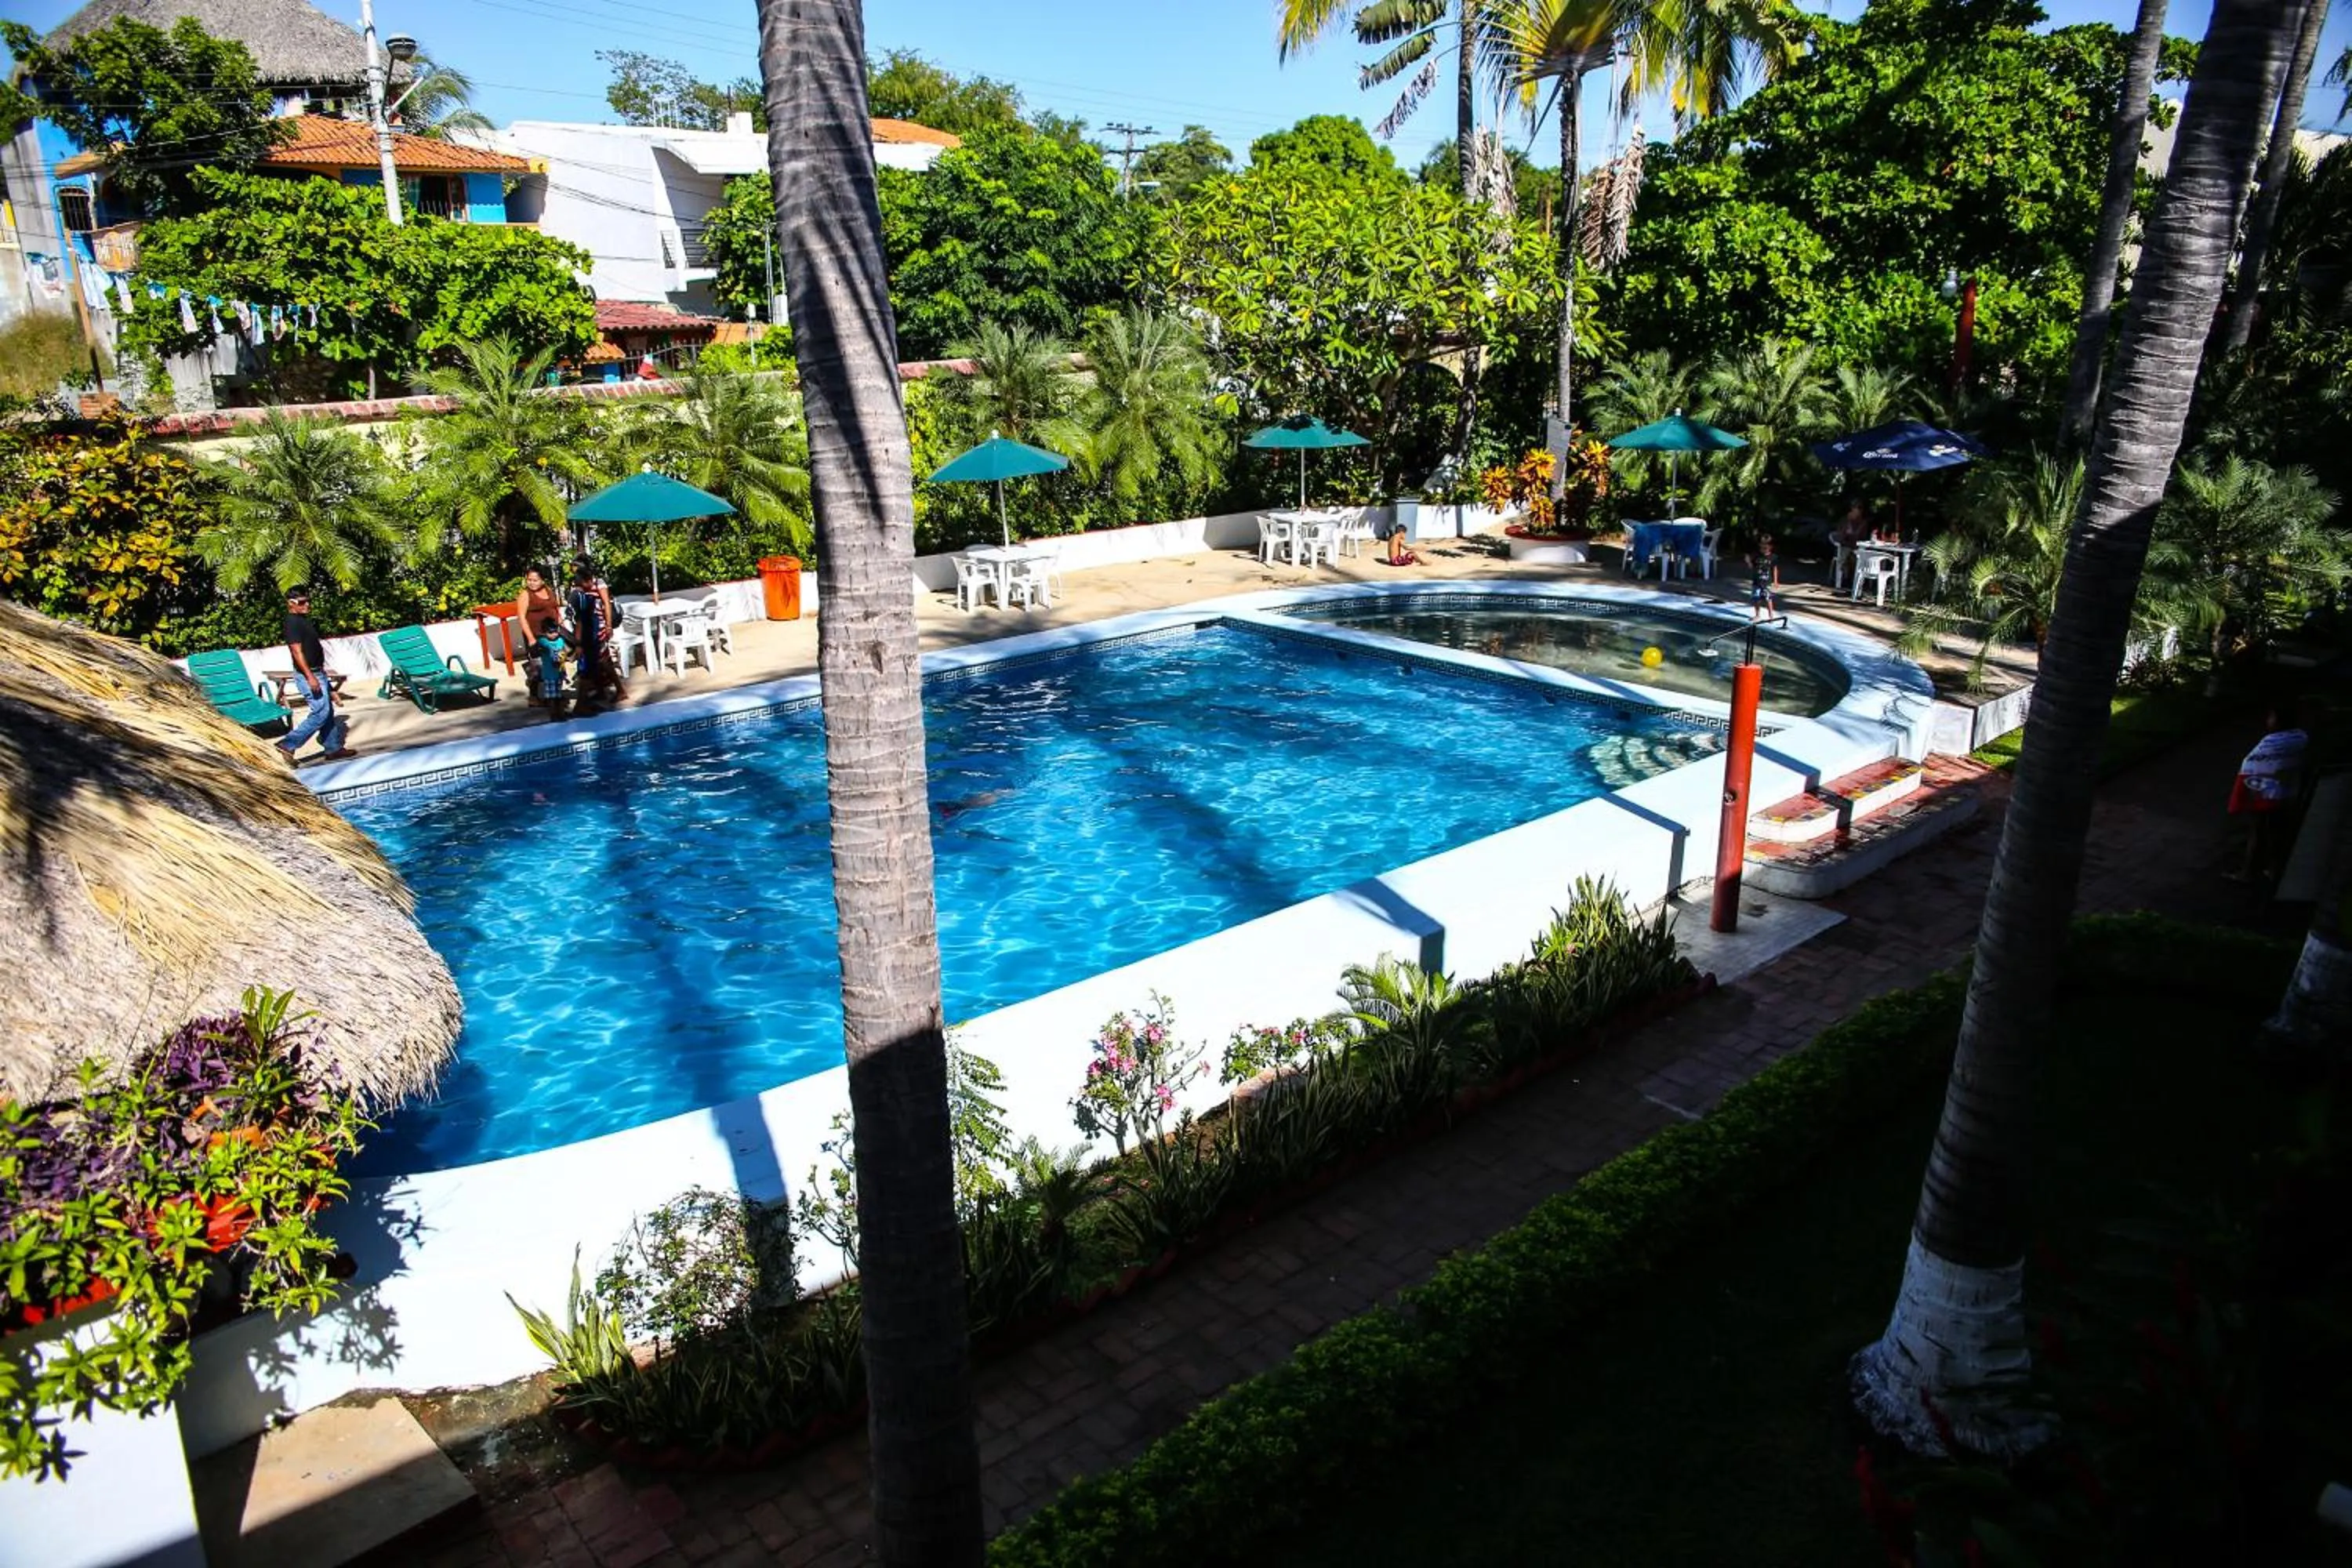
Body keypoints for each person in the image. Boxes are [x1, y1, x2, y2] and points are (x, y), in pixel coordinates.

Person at [2228, 701, 2314, 880]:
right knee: (2278, 833)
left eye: (2271, 717)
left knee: (2258, 831)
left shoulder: (2272, 743)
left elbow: (2253, 767)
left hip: (2263, 793)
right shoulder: (2300, 739)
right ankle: (2274, 870)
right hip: (2287, 794)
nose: (2269, 720)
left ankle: (2249, 872)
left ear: (2279, 721)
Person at [277, 587, 354, 764]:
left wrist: (328, 684)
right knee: (320, 712)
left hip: (318, 672)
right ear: (291, 604)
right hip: (308, 674)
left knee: (328, 711)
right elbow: (297, 652)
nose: (307, 605)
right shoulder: (292, 622)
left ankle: (333, 748)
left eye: (307, 601)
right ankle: (287, 744)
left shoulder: (303, 620)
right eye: (302, 603)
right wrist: (310, 676)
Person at [568, 559, 626, 710]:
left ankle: (618, 690)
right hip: (590, 628)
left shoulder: (598, 583)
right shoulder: (580, 587)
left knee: (601, 661)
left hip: (597, 627)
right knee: (601, 661)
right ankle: (603, 691)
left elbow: (606, 603)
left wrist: (608, 626)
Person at [516, 564, 569, 706]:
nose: (531, 583)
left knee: (557, 664)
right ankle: (533, 696)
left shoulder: (548, 590)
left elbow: (555, 609)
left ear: (543, 580)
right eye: (529, 580)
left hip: (552, 634)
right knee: (538, 668)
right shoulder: (525, 595)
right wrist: (531, 638)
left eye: (535, 580)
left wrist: (560, 627)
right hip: (536, 636)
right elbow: (521, 617)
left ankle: (555, 694)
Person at [1744, 531, 1779, 615]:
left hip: (1767, 582)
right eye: (1761, 547)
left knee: (1768, 599)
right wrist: (1748, 562)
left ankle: (1771, 615)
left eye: (1765, 548)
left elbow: (1774, 569)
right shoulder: (1756, 555)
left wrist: (1776, 581)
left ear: (1770, 547)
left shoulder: (1773, 557)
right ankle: (1757, 615)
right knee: (1756, 598)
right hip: (1756, 582)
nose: (1763, 549)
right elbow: (1752, 567)